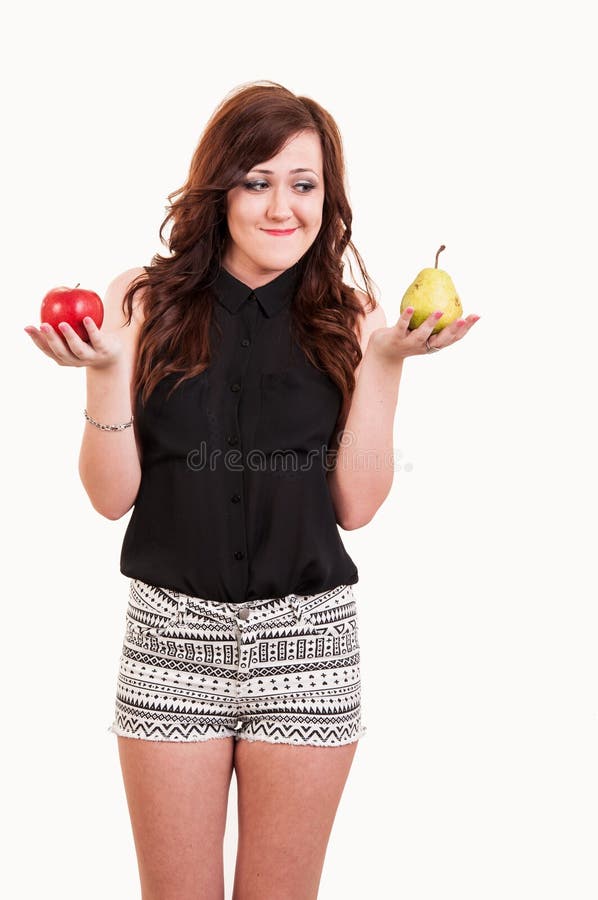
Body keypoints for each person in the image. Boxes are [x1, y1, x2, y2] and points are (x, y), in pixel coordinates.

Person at [24, 80, 479, 900]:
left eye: (303, 184)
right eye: (256, 180)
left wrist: (384, 365)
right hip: (171, 643)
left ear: (326, 198)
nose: (282, 207)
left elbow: (358, 506)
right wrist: (103, 377)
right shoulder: (143, 299)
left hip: (308, 647)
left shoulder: (351, 318)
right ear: (221, 188)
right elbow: (109, 496)